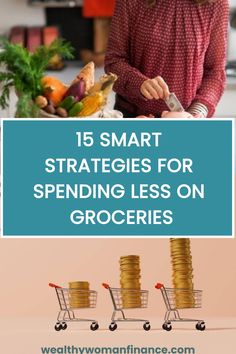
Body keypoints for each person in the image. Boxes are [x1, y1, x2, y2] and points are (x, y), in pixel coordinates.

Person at [105, 0, 229, 118]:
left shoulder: (216, 4)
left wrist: (196, 113)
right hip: (134, 116)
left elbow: (215, 72)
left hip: (186, 119)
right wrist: (139, 83)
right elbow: (113, 62)